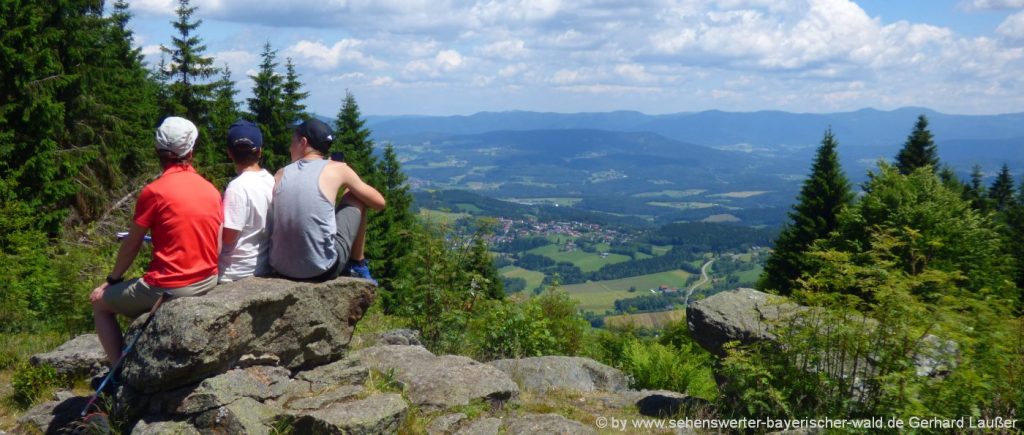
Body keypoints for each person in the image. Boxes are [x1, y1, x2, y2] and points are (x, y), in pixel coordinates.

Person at [89, 117, 222, 365]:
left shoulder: (154, 192)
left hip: (171, 287)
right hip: (207, 279)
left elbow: (132, 243)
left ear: (157, 151)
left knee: (99, 304)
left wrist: (111, 281)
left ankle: (117, 371)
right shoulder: (210, 189)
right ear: (190, 152)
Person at [269, 118, 385, 283]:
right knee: (354, 194)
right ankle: (357, 265)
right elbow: (379, 203)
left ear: (303, 142)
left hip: (279, 268)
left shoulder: (280, 173)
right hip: (321, 270)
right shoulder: (338, 169)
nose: (290, 147)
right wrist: (345, 176)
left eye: (292, 141)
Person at [218, 120, 274, 283]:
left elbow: (229, 237)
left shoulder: (237, 187)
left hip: (234, 271)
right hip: (262, 265)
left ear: (229, 153)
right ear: (259, 151)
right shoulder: (271, 180)